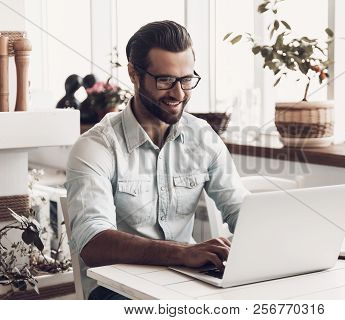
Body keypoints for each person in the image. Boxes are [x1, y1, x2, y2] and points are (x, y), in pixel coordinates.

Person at [64, 20, 248, 300]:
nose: (179, 93)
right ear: (134, 74)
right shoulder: (95, 146)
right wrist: (183, 252)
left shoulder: (202, 136)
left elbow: (240, 210)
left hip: (188, 284)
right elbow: (93, 242)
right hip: (116, 290)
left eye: (186, 80)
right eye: (165, 80)